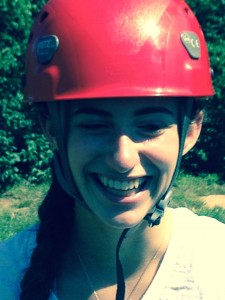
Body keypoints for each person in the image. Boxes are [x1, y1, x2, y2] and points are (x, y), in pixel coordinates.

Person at [0, 0, 225, 299]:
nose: (122, 158)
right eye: (94, 126)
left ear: (192, 129)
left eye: (151, 126)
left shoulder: (216, 265)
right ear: (50, 127)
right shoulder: (7, 273)